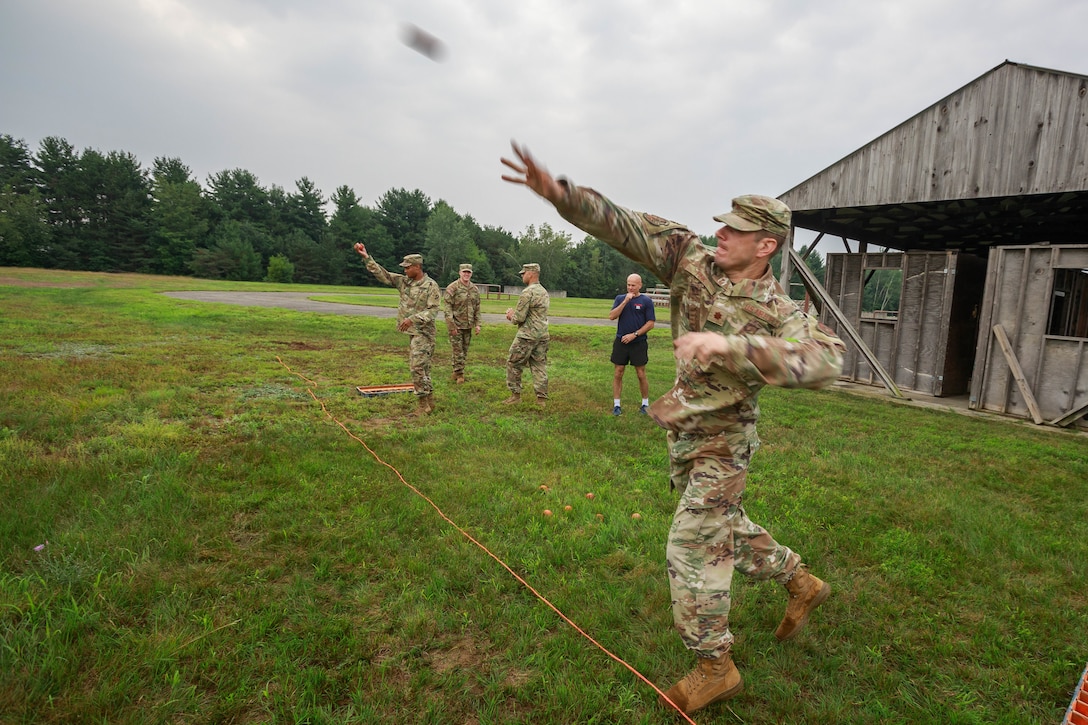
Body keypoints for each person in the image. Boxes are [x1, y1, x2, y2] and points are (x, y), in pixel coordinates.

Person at [500, 143, 845, 716]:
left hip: (725, 442)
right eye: (724, 227)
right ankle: (799, 580)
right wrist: (561, 194)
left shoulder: (778, 308)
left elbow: (827, 361)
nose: (723, 236)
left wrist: (734, 345)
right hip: (684, 429)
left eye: (737, 231)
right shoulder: (690, 260)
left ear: (767, 245)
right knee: (722, 529)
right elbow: (626, 227)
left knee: (690, 543)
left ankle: (715, 664)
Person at [353, 244, 441, 415]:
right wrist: (366, 257)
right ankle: (429, 402)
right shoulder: (404, 281)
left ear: (417, 267)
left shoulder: (431, 286)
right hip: (412, 332)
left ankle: (423, 405)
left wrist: (412, 319)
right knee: (423, 368)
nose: (405, 270)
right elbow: (383, 275)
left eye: (408, 267)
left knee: (417, 367)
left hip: (424, 333)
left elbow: (433, 310)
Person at [502, 262, 549, 408]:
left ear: (531, 274)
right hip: (542, 335)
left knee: (513, 362)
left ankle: (515, 396)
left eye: (524, 273)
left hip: (527, 336)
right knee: (539, 365)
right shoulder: (544, 291)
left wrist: (510, 315)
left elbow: (519, 318)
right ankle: (541, 400)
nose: (522, 276)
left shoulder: (527, 292)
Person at [609, 273, 656, 415]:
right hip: (621, 341)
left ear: (640, 285)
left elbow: (651, 323)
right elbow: (611, 316)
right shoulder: (620, 299)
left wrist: (634, 334)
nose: (630, 287)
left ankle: (645, 404)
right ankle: (617, 405)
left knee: (641, 374)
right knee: (618, 372)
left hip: (638, 343)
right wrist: (625, 302)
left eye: (633, 285)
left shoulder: (646, 301)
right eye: (628, 284)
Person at [443, 263, 481, 383]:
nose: (466, 274)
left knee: (464, 350)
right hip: (456, 325)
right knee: (457, 350)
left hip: (468, 325)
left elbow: (477, 308)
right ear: (459, 273)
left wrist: (478, 324)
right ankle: (460, 374)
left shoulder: (474, 289)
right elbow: (447, 307)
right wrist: (451, 325)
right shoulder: (453, 288)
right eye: (464, 272)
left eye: (468, 272)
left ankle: (456, 371)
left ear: (471, 274)